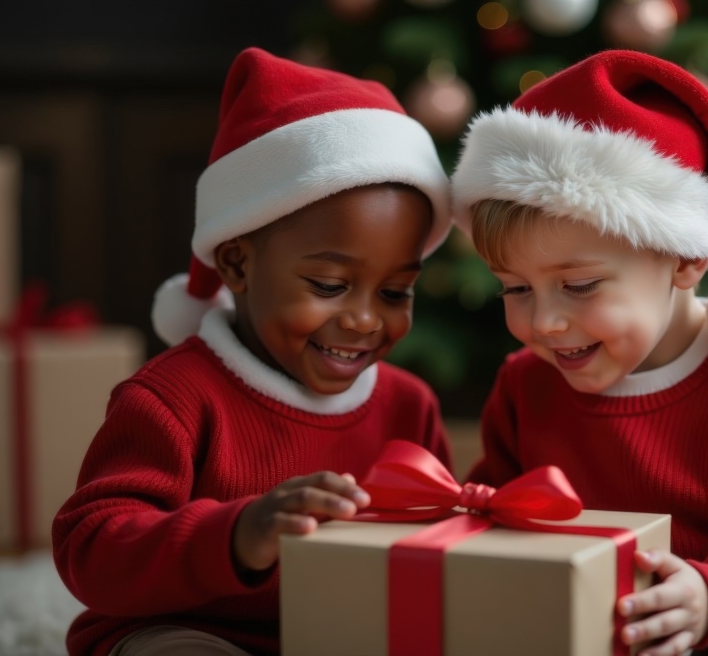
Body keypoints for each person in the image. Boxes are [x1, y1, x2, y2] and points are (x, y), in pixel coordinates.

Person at [453, 50, 708, 656]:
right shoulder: (525, 386)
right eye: (515, 288)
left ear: (685, 260)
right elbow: (493, 519)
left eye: (579, 285)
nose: (544, 321)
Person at [53, 47, 453, 656]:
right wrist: (236, 534)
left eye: (397, 290)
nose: (365, 318)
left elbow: (445, 543)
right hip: (187, 629)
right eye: (328, 285)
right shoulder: (171, 399)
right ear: (238, 263)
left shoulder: (410, 407)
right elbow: (91, 549)